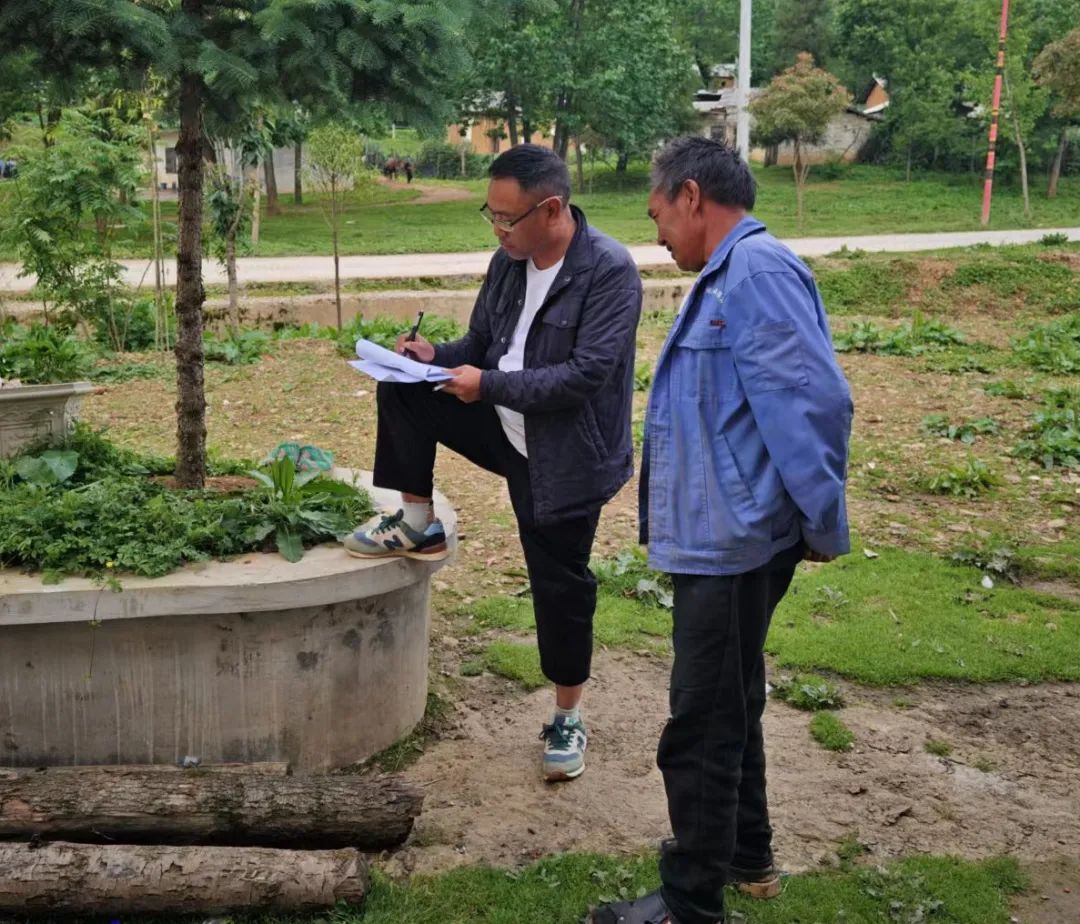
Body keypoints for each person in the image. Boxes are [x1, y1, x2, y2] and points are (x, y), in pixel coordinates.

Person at [589, 136, 852, 924]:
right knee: (731, 700)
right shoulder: (732, 273)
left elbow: (814, 405)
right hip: (726, 532)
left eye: (657, 214)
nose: (657, 234)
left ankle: (689, 902)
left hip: (735, 539)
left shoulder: (756, 274)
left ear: (692, 196)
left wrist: (821, 520)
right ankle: (746, 854)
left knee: (701, 720)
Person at [346, 143, 642, 782]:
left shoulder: (609, 271)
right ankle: (417, 521)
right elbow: (481, 345)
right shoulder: (509, 262)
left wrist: (486, 385)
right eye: (492, 215)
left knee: (558, 582)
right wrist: (434, 355)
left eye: (508, 218)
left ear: (552, 209)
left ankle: (567, 715)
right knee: (403, 386)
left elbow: (583, 376)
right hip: (501, 424)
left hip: (564, 455)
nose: (498, 230)